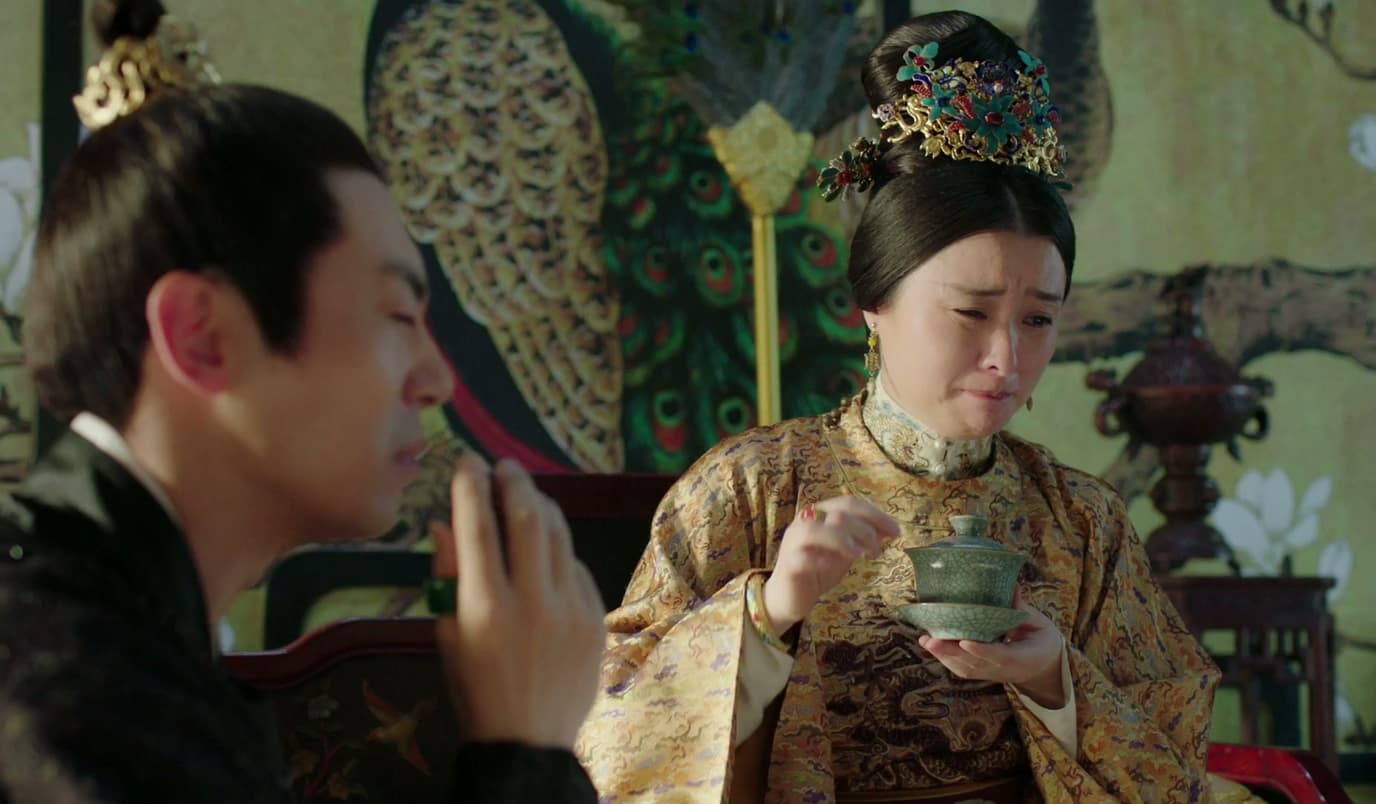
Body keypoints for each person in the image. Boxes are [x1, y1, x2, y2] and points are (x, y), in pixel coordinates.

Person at [576, 11, 1260, 803]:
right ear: (875, 305)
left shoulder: (1083, 522)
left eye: (1038, 320)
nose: (1007, 357)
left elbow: (1173, 761)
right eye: (970, 313)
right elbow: (612, 740)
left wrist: (1055, 680)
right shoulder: (747, 491)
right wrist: (768, 613)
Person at [0, 1, 606, 801]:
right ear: (203, 336)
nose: (437, 380)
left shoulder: (116, 637)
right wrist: (526, 752)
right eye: (399, 315)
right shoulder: (75, 695)